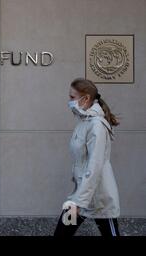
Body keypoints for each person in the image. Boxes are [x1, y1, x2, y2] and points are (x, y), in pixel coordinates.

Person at [54, 78, 121, 236]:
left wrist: (78, 202)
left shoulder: (96, 125)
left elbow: (94, 166)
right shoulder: (84, 122)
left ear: (86, 98)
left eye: (72, 97)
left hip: (99, 197)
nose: (69, 101)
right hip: (82, 195)